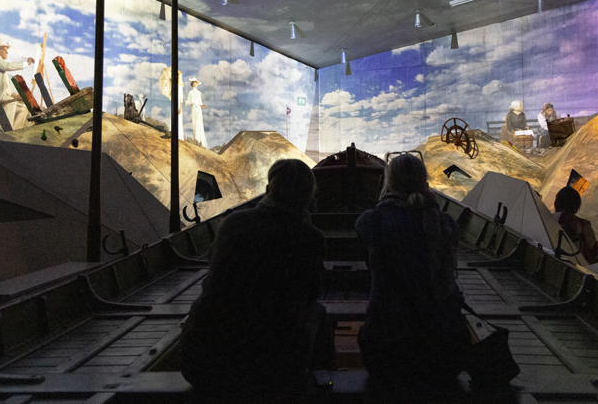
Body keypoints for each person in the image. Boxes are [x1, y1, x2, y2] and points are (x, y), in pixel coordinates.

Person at [176, 159, 331, 400]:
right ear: (309, 197)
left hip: (200, 362)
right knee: (318, 313)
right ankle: (326, 385)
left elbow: (211, 281)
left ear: (269, 190)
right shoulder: (310, 238)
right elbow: (311, 294)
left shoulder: (232, 223)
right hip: (270, 371)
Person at [355, 154, 471, 393]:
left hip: (387, 350)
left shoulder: (370, 223)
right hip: (444, 350)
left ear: (389, 182)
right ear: (423, 181)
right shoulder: (447, 224)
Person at [0, 38, 34, 130]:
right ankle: (4, 131)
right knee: (10, 103)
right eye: (5, 50)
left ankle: (15, 131)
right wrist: (26, 63)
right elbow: (7, 66)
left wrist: (15, 96)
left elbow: (6, 88)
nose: (7, 53)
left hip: (0, 96)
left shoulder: (1, 69)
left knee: (23, 106)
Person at [553, 187, 598, 264]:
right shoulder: (583, 224)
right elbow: (595, 252)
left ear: (556, 203)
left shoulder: (545, 218)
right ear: (575, 206)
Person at [158, 67, 184, 140]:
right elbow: (171, 95)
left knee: (178, 118)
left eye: (178, 78)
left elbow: (181, 98)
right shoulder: (173, 87)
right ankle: (172, 133)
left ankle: (179, 136)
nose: (178, 79)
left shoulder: (180, 87)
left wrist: (180, 108)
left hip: (178, 104)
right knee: (173, 118)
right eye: (176, 78)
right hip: (173, 104)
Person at [185, 77, 207, 148]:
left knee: (199, 123)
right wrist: (184, 101)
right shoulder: (190, 92)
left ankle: (201, 141)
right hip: (194, 108)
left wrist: (202, 105)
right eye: (194, 82)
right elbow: (188, 101)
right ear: (192, 84)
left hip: (199, 109)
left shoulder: (199, 92)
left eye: (196, 82)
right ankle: (196, 140)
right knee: (195, 123)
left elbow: (200, 102)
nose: (196, 84)